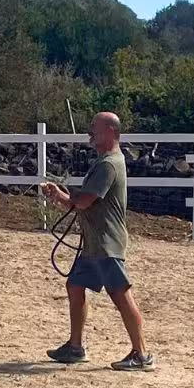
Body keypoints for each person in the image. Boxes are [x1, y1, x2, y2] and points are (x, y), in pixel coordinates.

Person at [39, 111, 154, 371]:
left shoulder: (108, 165)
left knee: (121, 295)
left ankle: (142, 354)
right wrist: (64, 197)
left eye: (95, 128)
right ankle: (75, 346)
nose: (90, 132)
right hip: (95, 242)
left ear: (111, 132)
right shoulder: (107, 161)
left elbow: (84, 202)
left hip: (105, 242)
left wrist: (60, 196)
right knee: (75, 285)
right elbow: (83, 202)